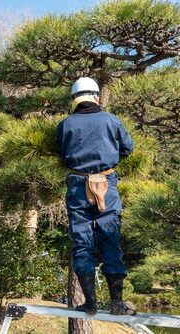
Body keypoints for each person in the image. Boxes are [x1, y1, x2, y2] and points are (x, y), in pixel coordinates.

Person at [56, 77, 136, 316]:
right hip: (106, 184)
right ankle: (117, 304)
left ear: (74, 99)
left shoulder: (65, 124)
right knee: (110, 239)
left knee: (82, 242)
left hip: (77, 185)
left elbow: (62, 155)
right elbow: (127, 148)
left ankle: (90, 303)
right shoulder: (111, 120)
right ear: (96, 96)